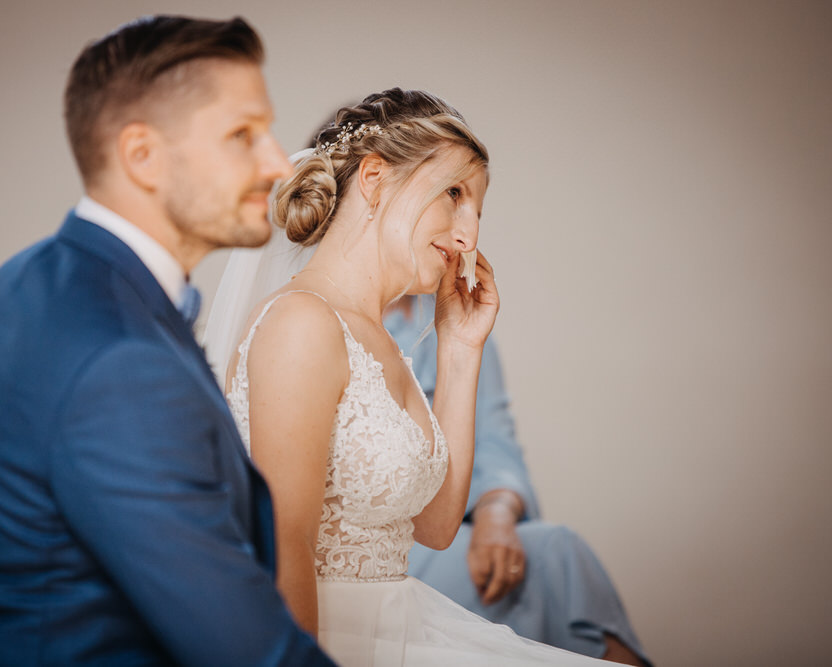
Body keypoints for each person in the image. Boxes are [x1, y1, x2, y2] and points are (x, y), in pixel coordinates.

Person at [0, 16, 334, 666]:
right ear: (141, 155)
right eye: (243, 135)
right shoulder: (123, 365)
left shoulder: (7, 289)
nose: (278, 163)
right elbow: (248, 652)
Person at [208, 88, 608, 665]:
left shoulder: (382, 340)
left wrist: (461, 348)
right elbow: (283, 540)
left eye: (478, 210)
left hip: (399, 628)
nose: (469, 235)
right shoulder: (302, 322)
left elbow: (438, 523)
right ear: (374, 178)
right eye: (454, 194)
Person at [385, 295, 651, 665]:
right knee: (550, 564)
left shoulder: (453, 317)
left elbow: (496, 442)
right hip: (388, 550)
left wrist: (496, 512)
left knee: (557, 550)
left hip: (450, 525)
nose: (462, 239)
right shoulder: (322, 320)